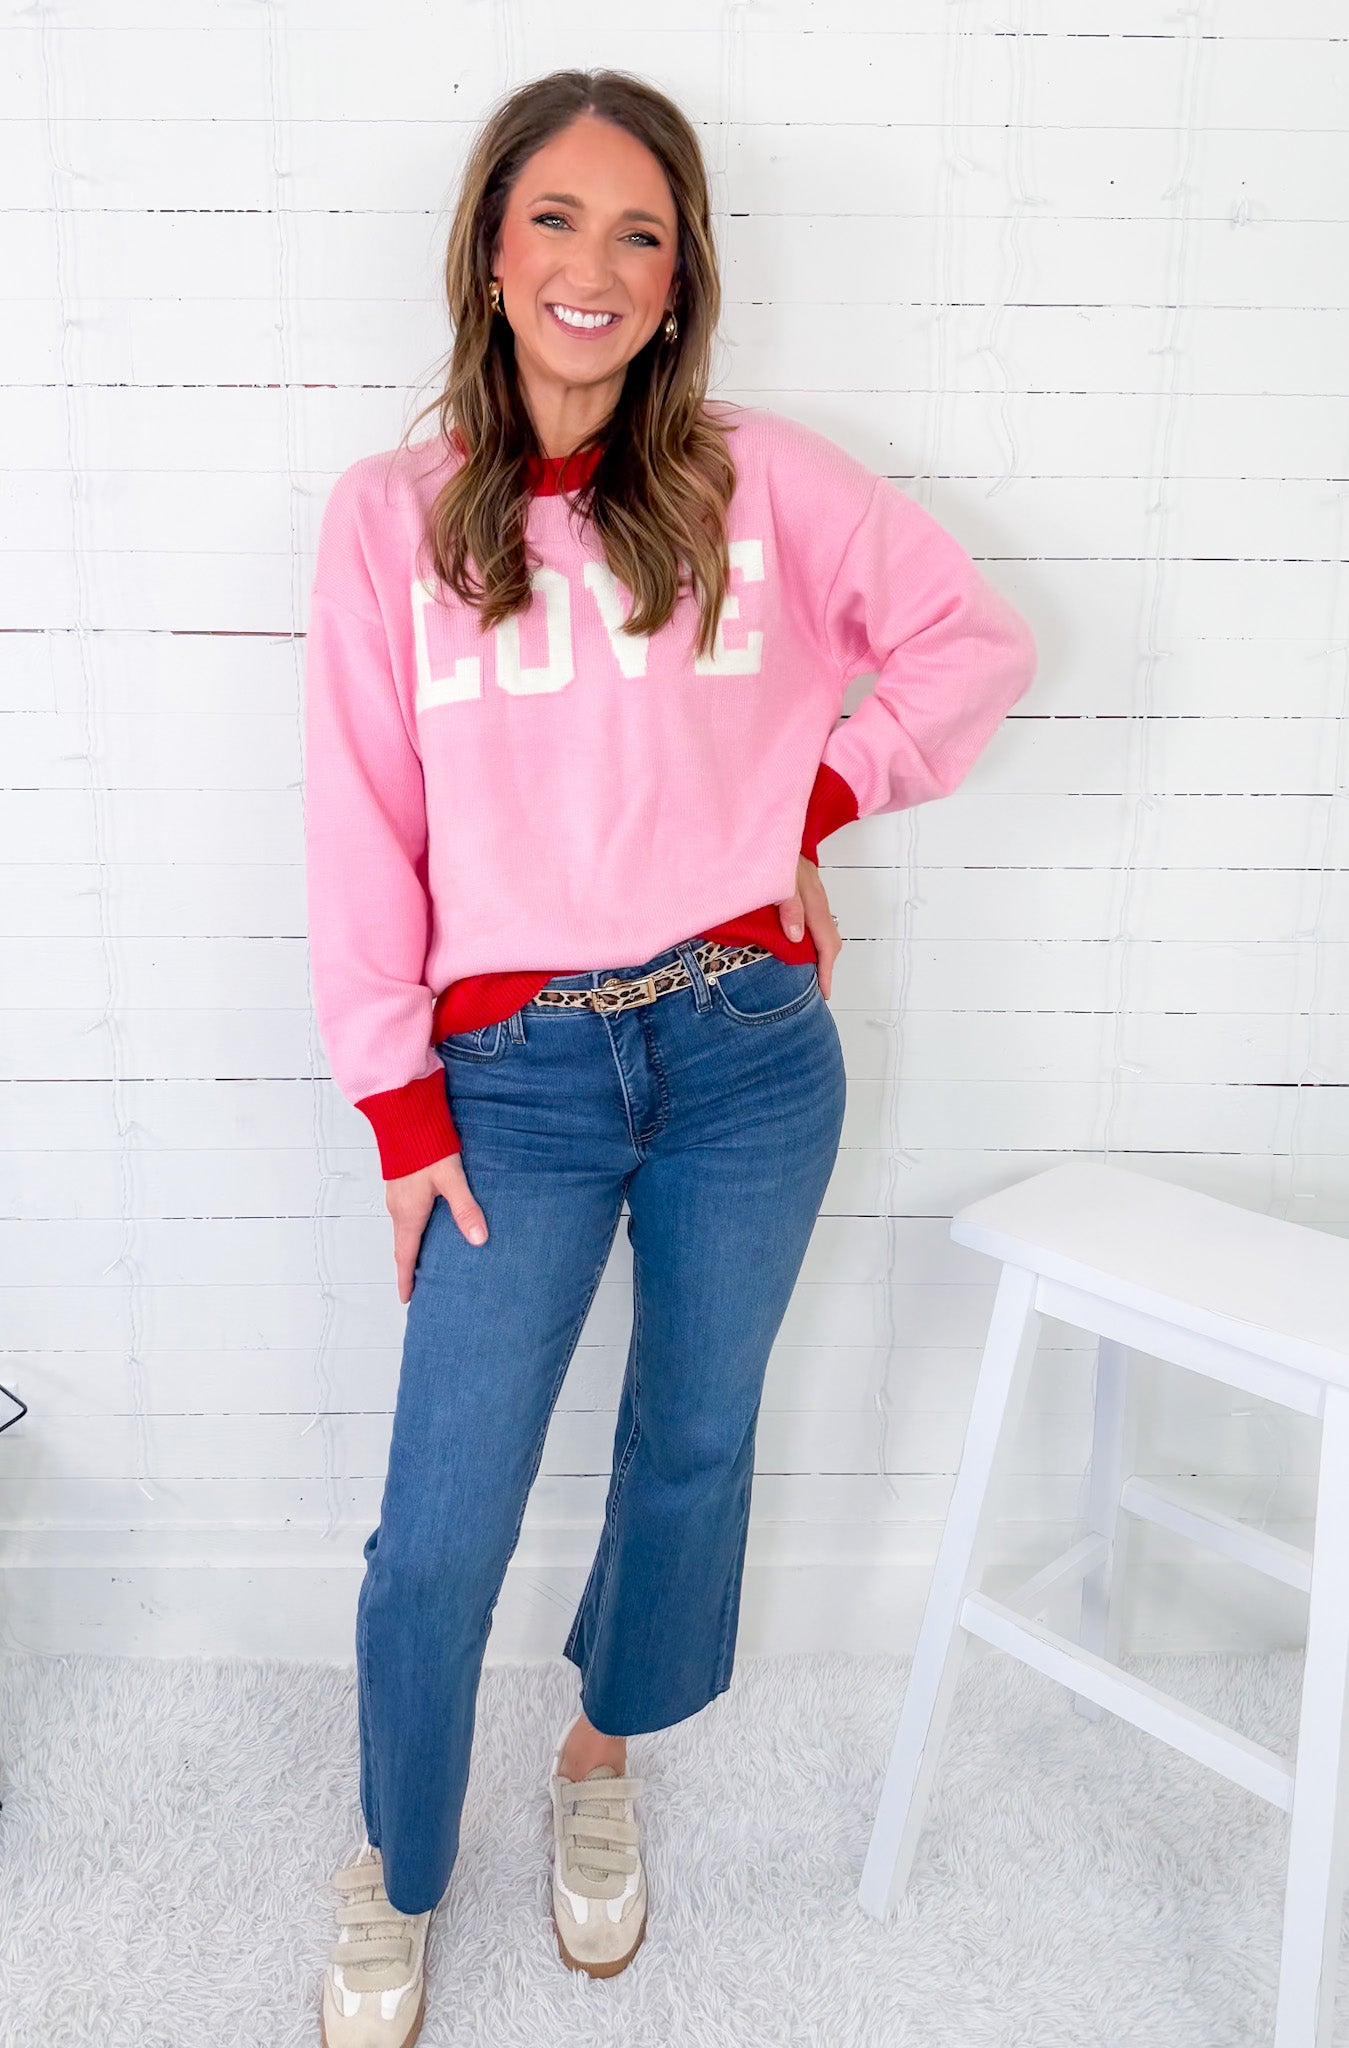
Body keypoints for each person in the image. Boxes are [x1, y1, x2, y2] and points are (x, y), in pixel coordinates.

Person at [303, 65, 1037, 2048]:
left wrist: (822, 781)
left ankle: (598, 1764)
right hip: (510, 1080)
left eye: (642, 230)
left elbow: (971, 643)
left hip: (745, 1053)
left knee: (692, 1451)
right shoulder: (393, 523)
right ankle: (397, 1856)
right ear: (490, 241)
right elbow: (359, 824)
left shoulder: (758, 481)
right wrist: (398, 1106)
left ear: (685, 268)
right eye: (557, 219)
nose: (595, 266)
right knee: (437, 1520)